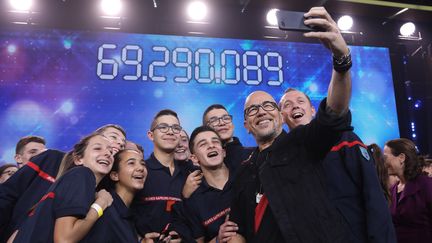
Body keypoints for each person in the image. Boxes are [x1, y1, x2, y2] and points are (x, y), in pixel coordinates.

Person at [228, 6, 360, 243]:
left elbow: (334, 113)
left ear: (280, 116)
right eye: (252, 110)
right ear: (246, 125)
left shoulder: (303, 144)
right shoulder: (243, 172)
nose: (261, 112)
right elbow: (237, 228)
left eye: (268, 106)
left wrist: (341, 60)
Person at [278, 87, 395, 242]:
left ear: (313, 110)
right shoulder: (281, 158)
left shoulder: (345, 139)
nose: (295, 106)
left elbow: (372, 194)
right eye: (287, 104)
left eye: (301, 101)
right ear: (282, 117)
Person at [0, 124, 126, 241]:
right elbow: (7, 193)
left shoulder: (101, 188)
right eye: (113, 137)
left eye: (122, 145)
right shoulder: (69, 167)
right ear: (79, 157)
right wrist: (99, 205)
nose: (118, 144)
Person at [132, 109, 189, 242]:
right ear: (151, 135)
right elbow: (122, 214)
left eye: (175, 128)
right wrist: (140, 239)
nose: (170, 131)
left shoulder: (190, 172)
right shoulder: (139, 171)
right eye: (163, 127)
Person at [178, 126, 236, 243]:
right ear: (194, 158)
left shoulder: (244, 176)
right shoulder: (193, 200)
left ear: (223, 152)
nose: (211, 146)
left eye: (215, 141)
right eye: (203, 144)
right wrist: (219, 240)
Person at [82, 149, 147, 243]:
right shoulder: (105, 210)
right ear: (115, 175)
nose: (140, 168)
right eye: (131, 163)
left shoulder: (129, 215)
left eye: (143, 164)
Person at [383, 138, 432, 243]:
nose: (383, 161)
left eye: (385, 157)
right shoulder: (392, 190)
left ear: (401, 158)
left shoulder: (427, 185)